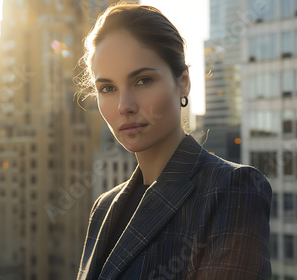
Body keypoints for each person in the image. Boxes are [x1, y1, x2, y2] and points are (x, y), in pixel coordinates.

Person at [74, 3, 272, 280]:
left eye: (143, 80)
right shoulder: (104, 207)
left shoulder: (233, 189)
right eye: (107, 88)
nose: (124, 106)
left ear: (183, 82)